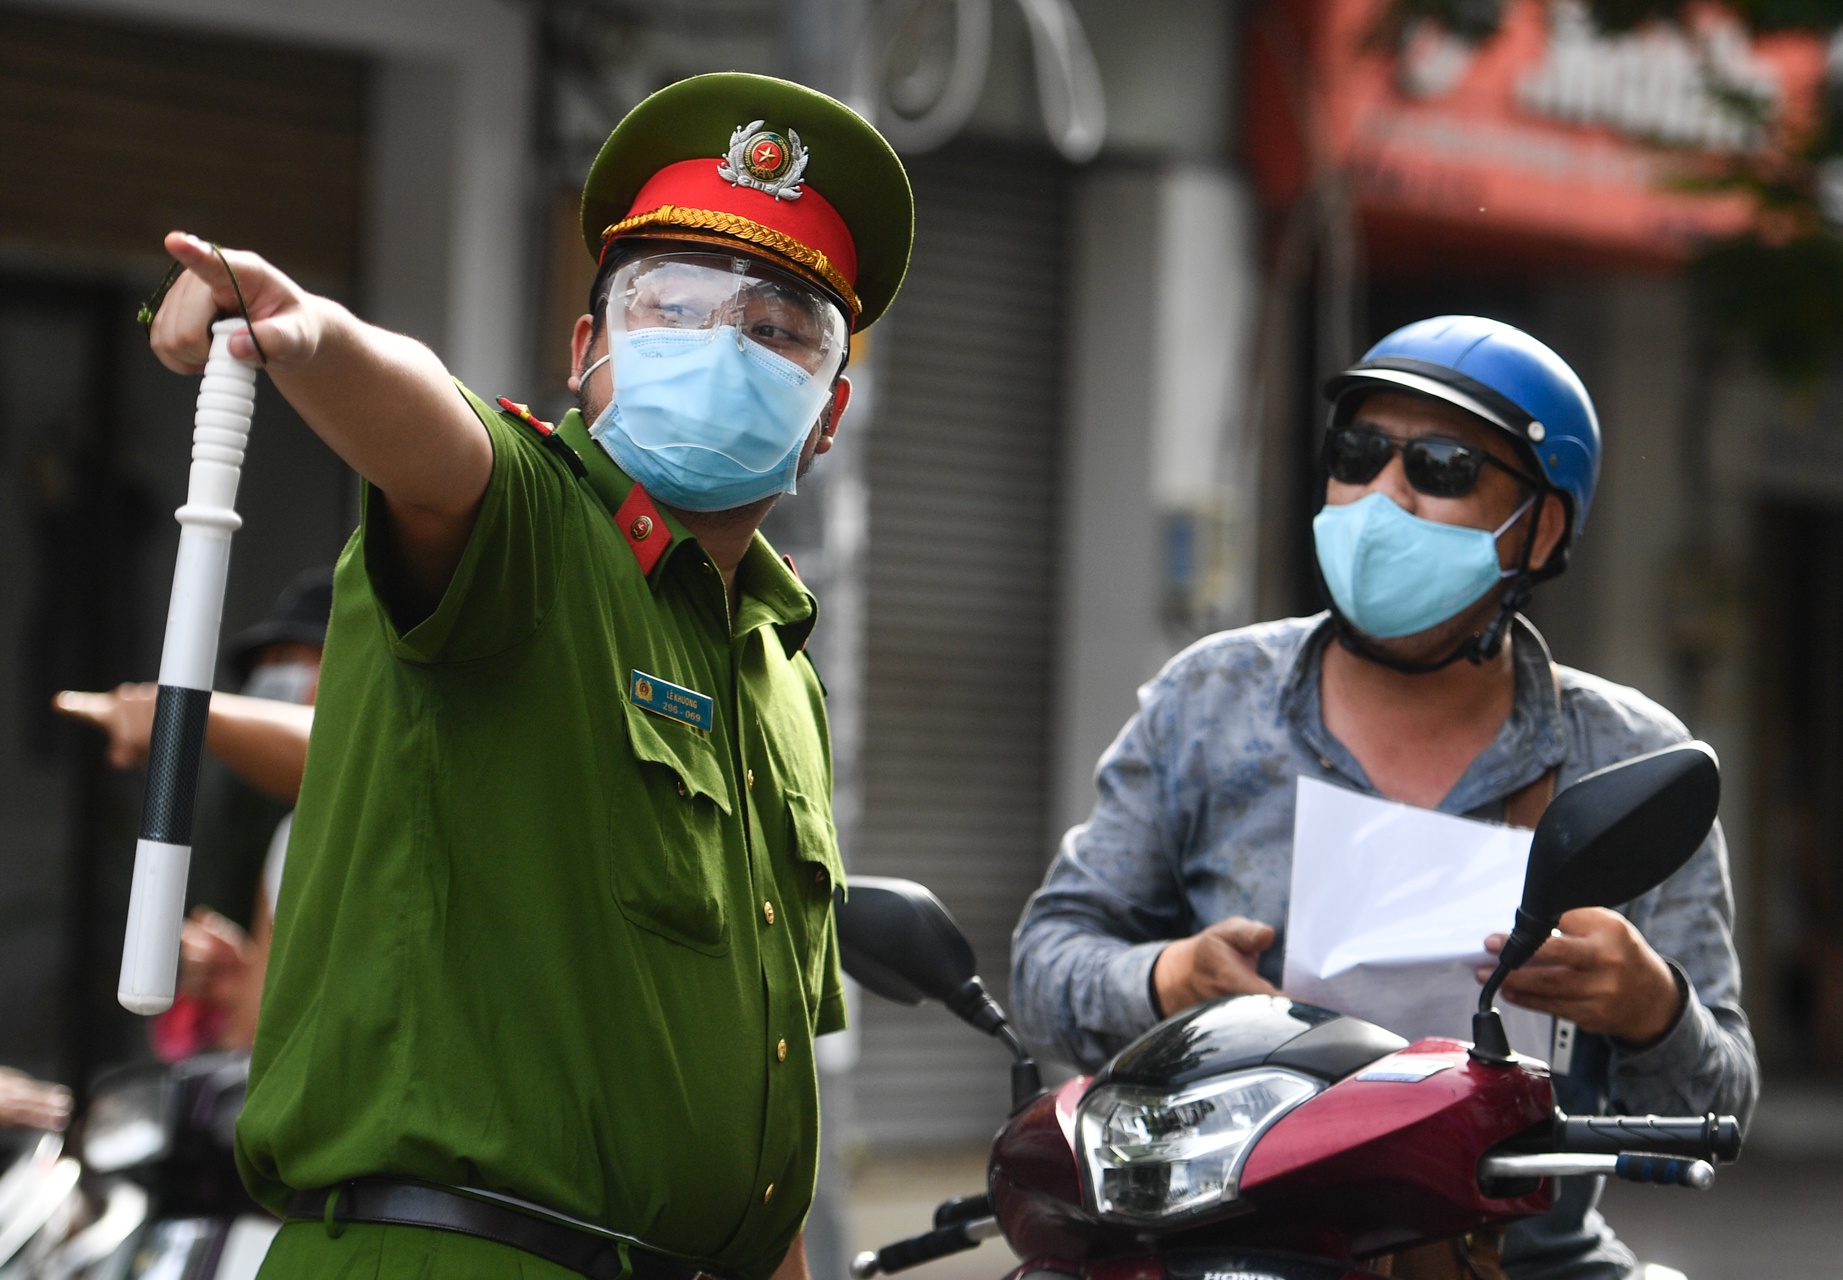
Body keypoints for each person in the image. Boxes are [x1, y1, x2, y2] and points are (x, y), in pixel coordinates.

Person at [143, 72, 911, 1280]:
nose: (724, 345)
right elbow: (431, 439)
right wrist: (310, 331)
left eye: (779, 331)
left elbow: (757, 1091)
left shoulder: (780, 672)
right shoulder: (534, 529)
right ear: (587, 347)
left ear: (828, 413)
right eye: (673, 306)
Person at [1010, 316, 1756, 1280]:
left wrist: (1653, 1007)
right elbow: (1045, 962)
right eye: (1358, 456)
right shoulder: (1211, 699)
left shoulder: (1628, 755)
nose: (1379, 499)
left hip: (1531, 1258)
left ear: (1543, 524)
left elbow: (1723, 1106)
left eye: (1441, 467)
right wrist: (1164, 983)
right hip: (1228, 1248)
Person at [56, 569, 330, 1054]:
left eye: (290, 659)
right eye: (264, 668)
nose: (272, 683)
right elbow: (249, 1044)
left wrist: (175, 712)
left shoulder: (397, 786)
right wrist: (245, 980)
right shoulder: (294, 835)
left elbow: (344, 754)